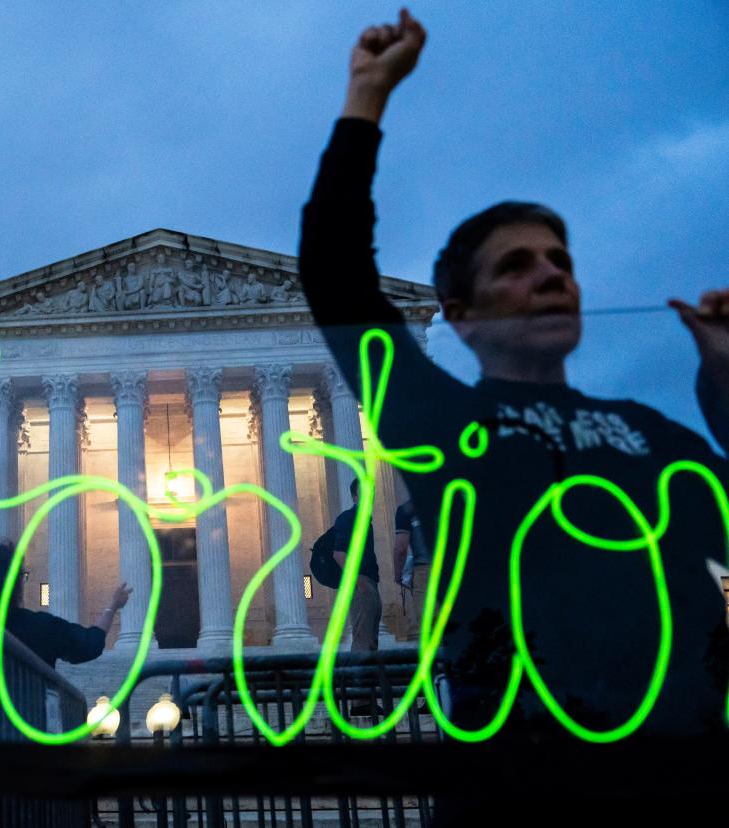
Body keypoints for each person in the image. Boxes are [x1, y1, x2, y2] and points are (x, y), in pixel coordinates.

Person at [299, 7, 729, 819]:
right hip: (523, 784)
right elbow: (336, 278)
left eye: (562, 262)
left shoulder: (650, 429)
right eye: (519, 265)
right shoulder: (445, 426)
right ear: (460, 314)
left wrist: (723, 379)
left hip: (685, 774)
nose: (552, 277)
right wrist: (365, 100)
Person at [0, 543, 130, 826]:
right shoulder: (41, 627)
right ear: (18, 584)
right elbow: (90, 644)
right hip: (26, 774)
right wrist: (113, 605)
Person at [331, 478, 380, 656]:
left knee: (371, 640)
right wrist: (358, 580)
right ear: (354, 496)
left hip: (370, 582)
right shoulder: (348, 518)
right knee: (363, 640)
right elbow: (338, 554)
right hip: (361, 582)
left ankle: (368, 680)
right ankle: (358, 682)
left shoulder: (365, 520)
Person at [393, 498, 431, 643]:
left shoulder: (407, 509)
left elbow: (400, 548)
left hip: (425, 570)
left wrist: (398, 575)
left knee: (426, 629)